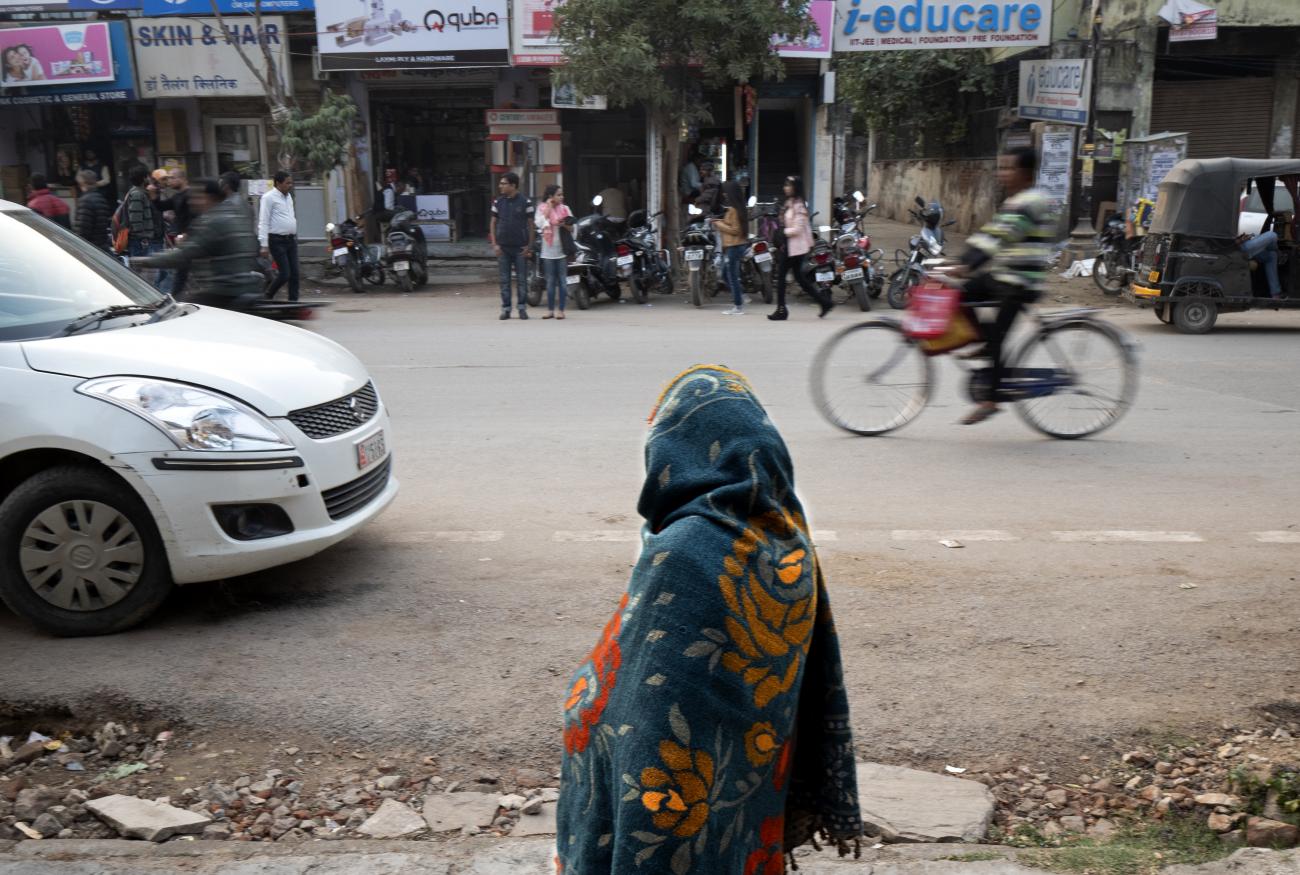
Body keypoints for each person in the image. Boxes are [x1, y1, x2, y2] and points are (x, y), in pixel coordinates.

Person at [557, 364, 862, 872]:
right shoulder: (784, 539)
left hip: (670, 808)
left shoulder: (685, 551)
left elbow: (649, 715)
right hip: (746, 784)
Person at [957, 146, 1057, 425]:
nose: (1002, 173)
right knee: (960, 293)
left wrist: (969, 263)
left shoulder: (1033, 201)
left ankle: (991, 400)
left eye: (1008, 168)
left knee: (999, 336)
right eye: (1002, 167)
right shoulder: (1015, 201)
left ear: (1024, 173)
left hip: (1021, 281)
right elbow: (989, 233)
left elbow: (1002, 236)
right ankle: (985, 342)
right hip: (1003, 275)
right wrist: (961, 261)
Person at [132, 177, 262, 309]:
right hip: (245, 285)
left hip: (224, 290)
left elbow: (183, 256)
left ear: (210, 197)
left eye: (196, 196)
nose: (192, 201)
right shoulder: (235, 213)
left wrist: (144, 261)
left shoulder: (213, 221)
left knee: (176, 310)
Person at [769, 175, 832, 320]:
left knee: (781, 277)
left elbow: (797, 229)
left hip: (795, 248)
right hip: (791, 246)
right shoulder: (790, 202)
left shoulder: (799, 206)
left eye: (789, 185)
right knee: (800, 278)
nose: (785, 188)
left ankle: (781, 310)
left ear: (795, 188)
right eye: (785, 185)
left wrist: (783, 232)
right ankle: (824, 303)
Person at [490, 172, 534, 320]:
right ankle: (506, 309)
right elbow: (493, 223)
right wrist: (495, 244)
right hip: (503, 248)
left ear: (513, 185)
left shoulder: (525, 202)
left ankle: (522, 308)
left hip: (520, 248)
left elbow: (531, 225)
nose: (500, 186)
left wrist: (529, 245)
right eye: (501, 183)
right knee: (504, 280)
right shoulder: (498, 202)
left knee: (522, 280)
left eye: (503, 183)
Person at [259, 170, 300, 302]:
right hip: (277, 240)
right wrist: (264, 245)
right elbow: (263, 221)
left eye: (291, 183)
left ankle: (293, 302)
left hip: (290, 240)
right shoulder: (268, 197)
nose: (290, 185)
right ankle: (268, 295)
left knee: (295, 274)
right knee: (285, 274)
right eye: (287, 183)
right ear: (278, 183)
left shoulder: (288, 197)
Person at [711, 181, 749, 315]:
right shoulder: (737, 208)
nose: (725, 194)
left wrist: (718, 224)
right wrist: (720, 222)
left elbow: (735, 230)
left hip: (734, 246)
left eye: (726, 192)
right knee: (726, 275)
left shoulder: (733, 210)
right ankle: (742, 296)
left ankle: (738, 306)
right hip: (735, 246)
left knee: (731, 277)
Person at [535, 184, 572, 319]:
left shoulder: (565, 209)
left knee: (562, 281)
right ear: (551, 196)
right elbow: (539, 223)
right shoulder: (542, 208)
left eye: (562, 195)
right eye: (558, 195)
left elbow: (572, 228)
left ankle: (561, 310)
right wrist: (549, 208)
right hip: (547, 251)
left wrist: (564, 224)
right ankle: (550, 310)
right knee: (550, 281)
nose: (561, 197)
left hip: (562, 250)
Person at [159, 168, 193, 296]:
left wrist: (186, 233)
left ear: (182, 179)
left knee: (182, 270)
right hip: (183, 239)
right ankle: (176, 295)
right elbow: (161, 206)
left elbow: (195, 217)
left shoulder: (190, 195)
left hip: (189, 239)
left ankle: (175, 295)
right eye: (168, 178)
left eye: (172, 178)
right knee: (181, 271)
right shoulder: (177, 196)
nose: (169, 181)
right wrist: (155, 195)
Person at [122, 164, 157, 262]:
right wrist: (142, 238)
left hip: (140, 240)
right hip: (139, 241)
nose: (150, 179)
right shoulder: (137, 194)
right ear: (144, 178)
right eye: (148, 176)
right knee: (142, 270)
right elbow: (135, 218)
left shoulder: (139, 192)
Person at [74, 170, 112, 251]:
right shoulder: (101, 198)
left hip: (91, 247)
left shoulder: (85, 201)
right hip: (102, 245)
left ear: (82, 183)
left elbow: (82, 230)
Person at [1240, 231, 1283, 299]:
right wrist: (1241, 239)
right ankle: (1278, 251)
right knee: (1272, 235)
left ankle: (1275, 294)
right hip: (1239, 247)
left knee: (1271, 256)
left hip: (1241, 245)